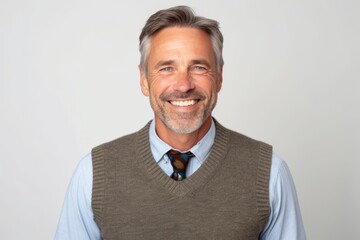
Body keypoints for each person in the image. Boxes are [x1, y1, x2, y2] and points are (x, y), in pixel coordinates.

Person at [55, 5, 306, 240]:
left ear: (219, 77)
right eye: (166, 68)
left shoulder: (270, 173)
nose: (184, 85)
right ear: (143, 80)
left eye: (198, 67)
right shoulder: (93, 175)